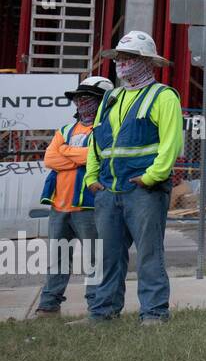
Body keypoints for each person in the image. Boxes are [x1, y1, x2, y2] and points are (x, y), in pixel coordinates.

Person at [73, 32, 182, 326]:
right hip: (108, 189)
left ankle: (154, 313)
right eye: (120, 58)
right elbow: (97, 141)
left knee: (149, 254)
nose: (122, 64)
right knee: (107, 256)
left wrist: (151, 177)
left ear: (146, 62)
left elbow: (171, 143)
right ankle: (102, 312)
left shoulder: (163, 96)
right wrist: (92, 179)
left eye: (129, 58)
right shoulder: (111, 97)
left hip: (144, 190)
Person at [34, 76, 112, 317]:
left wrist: (65, 151)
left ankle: (96, 307)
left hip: (88, 207)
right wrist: (79, 156)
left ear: (101, 102)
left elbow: (96, 157)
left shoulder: (105, 130)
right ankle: (49, 306)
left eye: (86, 98)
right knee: (57, 258)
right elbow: (50, 159)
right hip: (59, 206)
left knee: (93, 260)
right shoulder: (66, 129)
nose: (80, 102)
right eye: (78, 98)